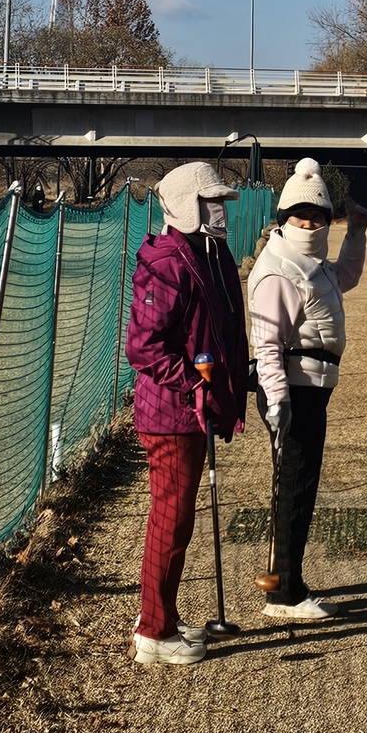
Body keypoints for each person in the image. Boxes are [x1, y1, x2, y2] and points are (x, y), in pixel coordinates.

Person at [125, 161, 248, 666]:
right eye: (209, 202)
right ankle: (154, 631)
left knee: (176, 520)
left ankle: (161, 617)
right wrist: (194, 383)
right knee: (171, 521)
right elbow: (143, 346)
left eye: (220, 201)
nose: (219, 211)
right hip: (172, 414)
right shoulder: (169, 261)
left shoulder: (209, 252)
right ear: (185, 208)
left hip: (193, 411)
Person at [247, 157, 367, 621]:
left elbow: (346, 278)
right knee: (293, 488)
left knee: (299, 486)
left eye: (317, 216)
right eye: (300, 216)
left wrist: (356, 232)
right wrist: (277, 400)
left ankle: (289, 579)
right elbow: (267, 345)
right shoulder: (279, 269)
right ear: (284, 220)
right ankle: (283, 594)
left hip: (310, 389)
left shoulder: (310, 263)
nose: (309, 223)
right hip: (291, 392)